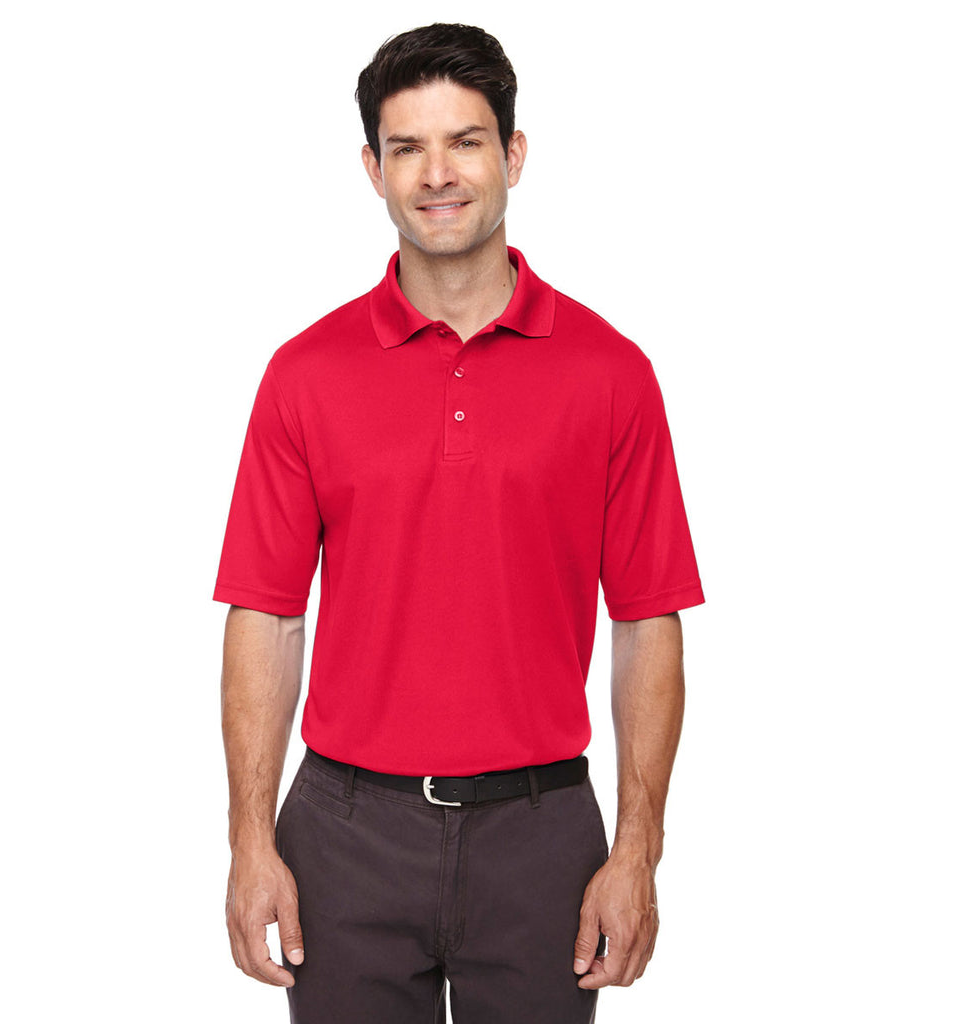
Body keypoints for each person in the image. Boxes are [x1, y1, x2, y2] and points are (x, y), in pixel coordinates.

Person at [214, 22, 704, 1024]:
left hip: (543, 833)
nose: (437, 174)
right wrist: (249, 840)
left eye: (466, 141)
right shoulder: (304, 376)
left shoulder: (612, 374)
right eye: (407, 148)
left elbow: (647, 620)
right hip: (345, 835)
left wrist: (638, 852)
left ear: (513, 155)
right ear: (373, 170)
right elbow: (267, 615)